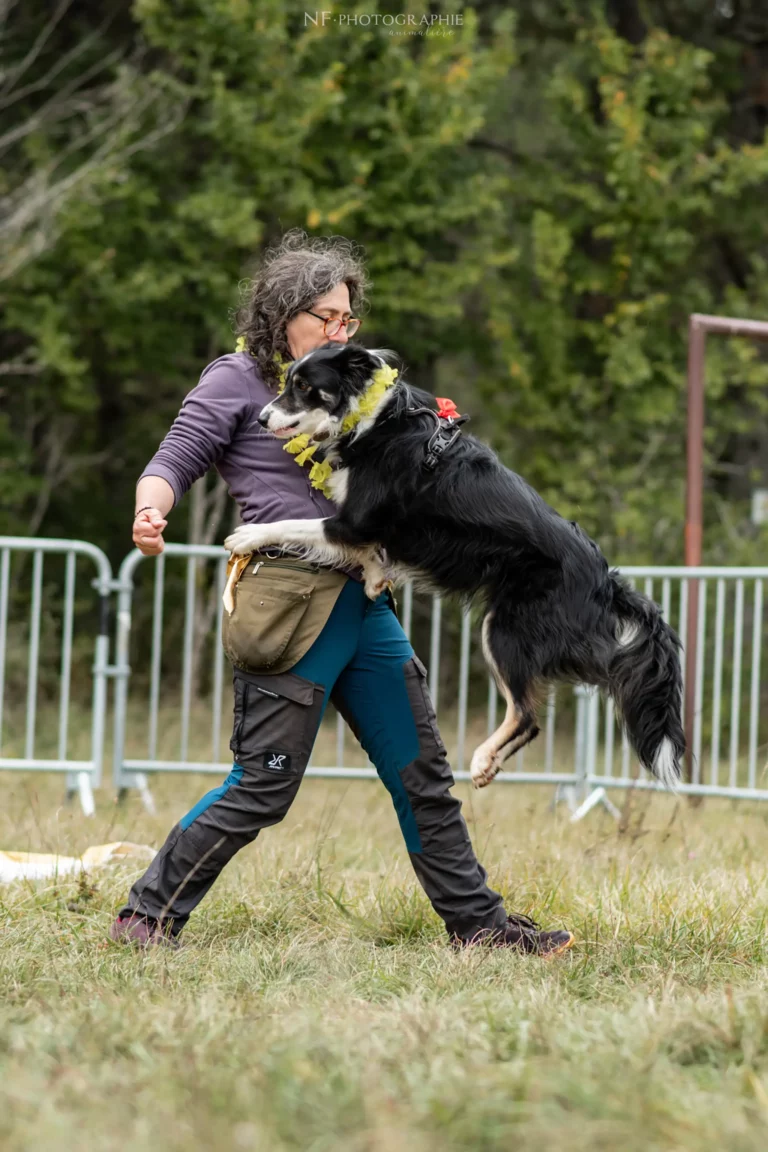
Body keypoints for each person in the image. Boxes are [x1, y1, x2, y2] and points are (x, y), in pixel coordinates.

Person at [110, 230, 573, 956]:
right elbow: (173, 457)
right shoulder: (236, 380)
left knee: (424, 776)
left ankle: (479, 928)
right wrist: (150, 507)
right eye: (326, 316)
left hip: (365, 600)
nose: (340, 330)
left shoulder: (354, 381)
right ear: (282, 313)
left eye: (347, 318)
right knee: (265, 785)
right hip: (290, 604)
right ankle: (148, 914)